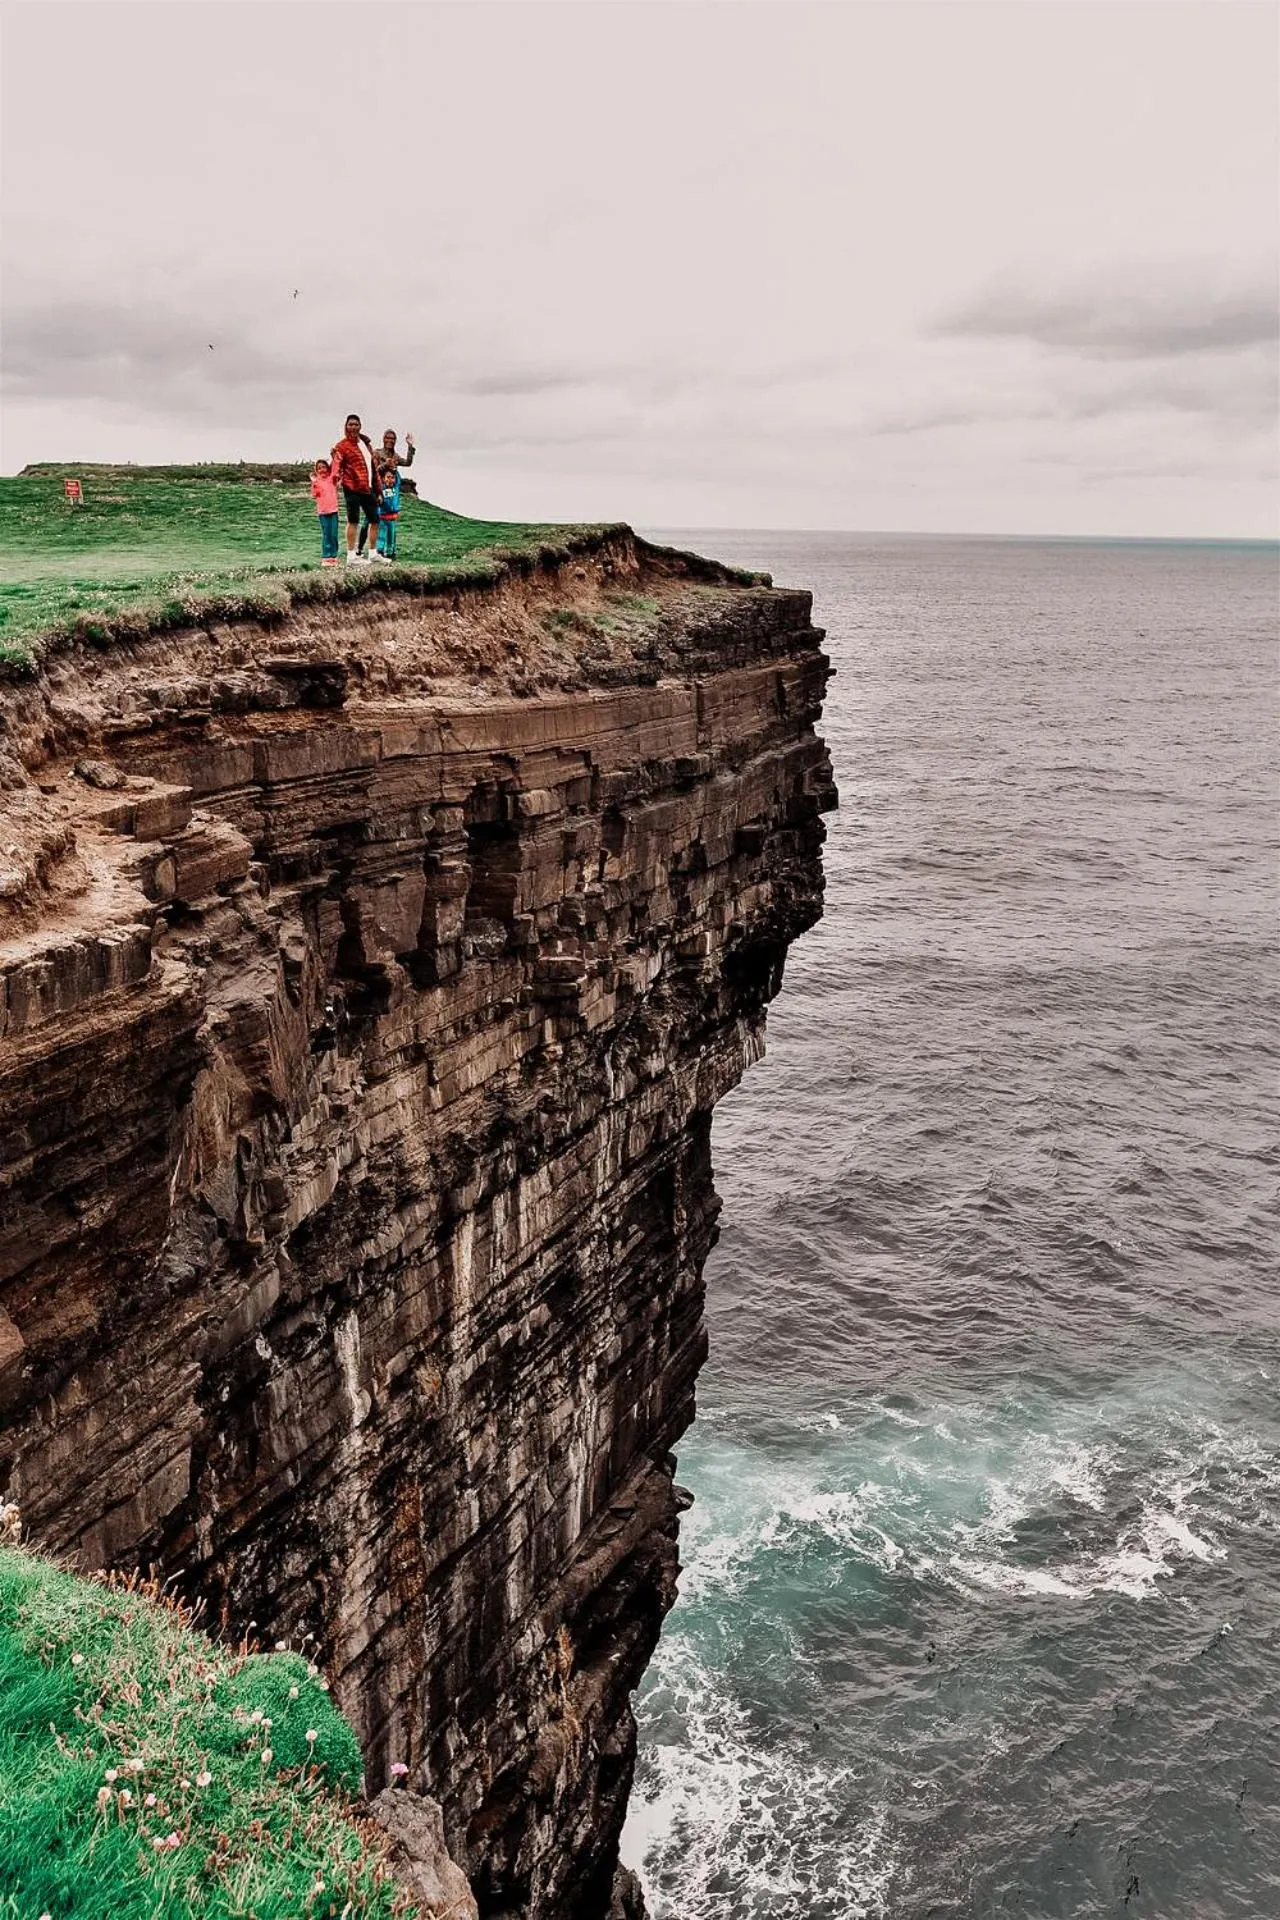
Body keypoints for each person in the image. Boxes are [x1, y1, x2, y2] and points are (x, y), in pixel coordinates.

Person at [329, 413, 387, 565]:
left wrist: (379, 491)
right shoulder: (341, 446)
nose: (353, 427)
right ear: (346, 426)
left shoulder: (365, 444)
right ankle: (351, 555)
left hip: (367, 489)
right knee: (353, 520)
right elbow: (336, 466)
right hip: (352, 488)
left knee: (375, 520)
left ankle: (373, 553)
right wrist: (334, 481)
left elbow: (373, 469)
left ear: (360, 426)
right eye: (350, 424)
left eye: (356, 424)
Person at [359, 427, 415, 555]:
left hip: (389, 490)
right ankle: (360, 548)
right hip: (376, 488)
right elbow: (374, 469)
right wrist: (386, 464)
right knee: (368, 520)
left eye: (392, 438)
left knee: (385, 521)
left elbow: (407, 463)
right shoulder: (378, 453)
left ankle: (384, 550)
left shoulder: (395, 456)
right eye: (387, 438)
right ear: (383, 439)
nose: (390, 440)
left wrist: (410, 447)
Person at [310, 456, 341, 565]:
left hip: (333, 511)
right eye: (319, 468)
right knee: (326, 534)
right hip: (322, 512)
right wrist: (314, 482)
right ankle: (326, 556)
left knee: (334, 534)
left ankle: (334, 556)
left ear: (328, 468)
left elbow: (336, 469)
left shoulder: (332, 479)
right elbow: (314, 495)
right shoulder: (316, 481)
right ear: (316, 471)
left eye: (324, 467)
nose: (322, 469)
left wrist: (335, 457)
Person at [376, 463, 402, 558]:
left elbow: (398, 479)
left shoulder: (396, 488)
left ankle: (390, 552)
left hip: (392, 518)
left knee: (392, 535)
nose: (390, 480)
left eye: (392, 477)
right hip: (382, 517)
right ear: (383, 479)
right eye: (388, 477)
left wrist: (395, 469)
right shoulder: (381, 489)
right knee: (381, 535)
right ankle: (380, 550)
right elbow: (376, 476)